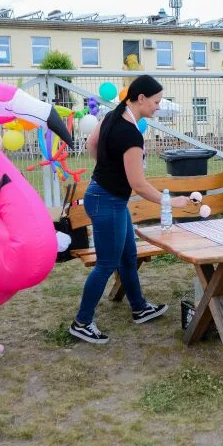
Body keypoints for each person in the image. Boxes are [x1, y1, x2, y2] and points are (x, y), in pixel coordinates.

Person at [69, 75, 187, 343]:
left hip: (107, 197)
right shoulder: (131, 134)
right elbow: (139, 184)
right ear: (141, 99)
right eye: (156, 102)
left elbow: (92, 145)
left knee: (127, 256)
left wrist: (109, 168)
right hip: (106, 200)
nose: (158, 107)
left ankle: (139, 307)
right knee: (106, 263)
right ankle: (82, 322)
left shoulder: (113, 115)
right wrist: (171, 202)